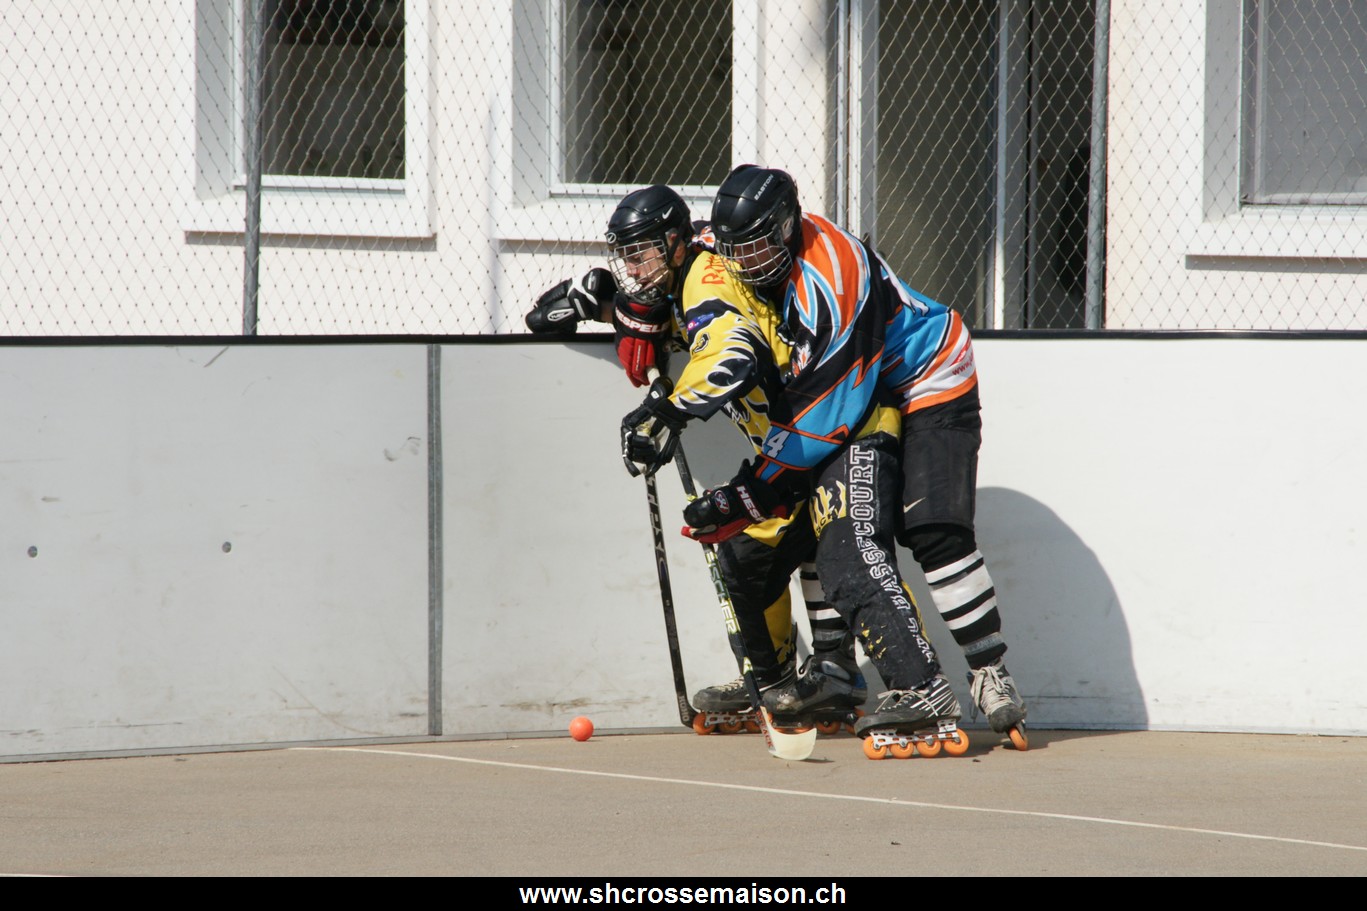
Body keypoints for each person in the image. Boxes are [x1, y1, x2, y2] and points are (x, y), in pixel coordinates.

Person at [526, 186, 874, 732]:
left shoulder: (705, 278)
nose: (631, 268)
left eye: (640, 254)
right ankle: (785, 679)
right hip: (788, 440)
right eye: (624, 256)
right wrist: (613, 308)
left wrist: (665, 412)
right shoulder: (689, 267)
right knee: (760, 547)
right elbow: (667, 315)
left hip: (818, 431)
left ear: (674, 242)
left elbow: (731, 355)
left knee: (809, 550)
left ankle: (849, 679)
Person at [703, 164, 1028, 748]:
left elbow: (822, 417)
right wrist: (618, 306)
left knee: (932, 529)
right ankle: (832, 668)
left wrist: (751, 492)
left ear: (786, 227)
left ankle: (989, 671)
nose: (745, 265)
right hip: (861, 389)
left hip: (926, 377)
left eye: (756, 249)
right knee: (815, 519)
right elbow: (678, 256)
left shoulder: (832, 278)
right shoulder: (733, 249)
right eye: (735, 252)